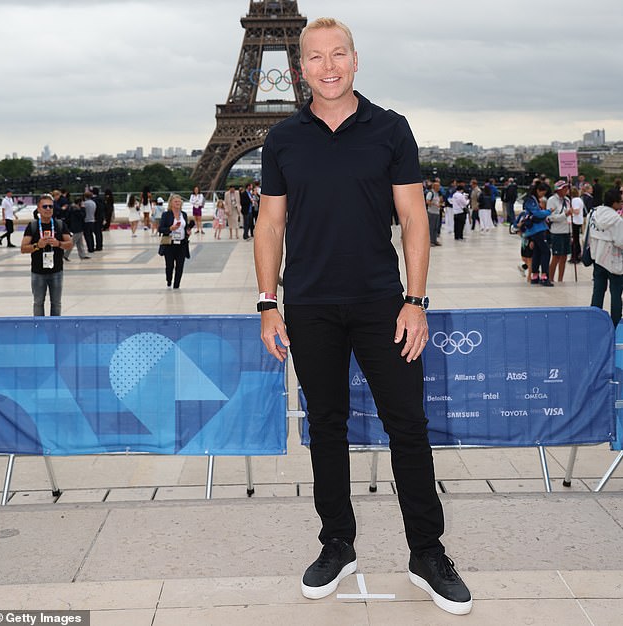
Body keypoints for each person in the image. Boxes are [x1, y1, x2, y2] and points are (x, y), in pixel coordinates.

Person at [253, 17, 472, 616]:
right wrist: (268, 304)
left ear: (355, 59)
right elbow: (270, 223)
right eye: (316, 57)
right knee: (326, 428)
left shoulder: (391, 129)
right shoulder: (282, 140)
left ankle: (427, 552)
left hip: (383, 303)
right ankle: (337, 543)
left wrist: (416, 299)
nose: (328, 66)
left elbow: (415, 220)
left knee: (409, 427)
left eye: (338, 54)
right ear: (300, 69)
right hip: (310, 304)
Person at [20, 194, 73, 316]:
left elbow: (69, 244)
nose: (48, 209)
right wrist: (37, 246)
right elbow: (23, 248)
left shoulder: (59, 224)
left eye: (51, 206)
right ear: (38, 209)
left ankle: (55, 330)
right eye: (45, 206)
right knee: (38, 303)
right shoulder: (32, 226)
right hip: (38, 272)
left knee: (56, 303)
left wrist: (58, 243)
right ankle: (39, 330)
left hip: (56, 271)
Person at [589, 188, 623, 326]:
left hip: (597, 256)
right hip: (614, 260)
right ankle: (615, 323)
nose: (622, 204)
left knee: (598, 290)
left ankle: (593, 319)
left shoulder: (594, 212)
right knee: (615, 293)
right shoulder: (616, 219)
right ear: (614, 203)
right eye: (620, 202)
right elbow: (620, 242)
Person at [158, 194, 193, 289]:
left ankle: (176, 285)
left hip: (181, 243)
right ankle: (169, 280)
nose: (178, 203)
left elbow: (184, 228)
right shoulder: (166, 215)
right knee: (169, 266)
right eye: (176, 201)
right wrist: (170, 228)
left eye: (179, 201)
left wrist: (188, 232)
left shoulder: (184, 215)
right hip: (169, 243)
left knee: (180, 265)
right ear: (171, 203)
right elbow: (160, 229)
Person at [522, 181, 553, 286]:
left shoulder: (532, 199)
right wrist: (548, 211)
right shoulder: (531, 200)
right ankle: (544, 276)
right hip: (537, 229)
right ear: (538, 190)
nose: (542, 195)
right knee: (546, 252)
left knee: (537, 252)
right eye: (542, 193)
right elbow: (537, 214)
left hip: (535, 229)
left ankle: (535, 276)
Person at [546, 180, 572, 283]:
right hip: (557, 232)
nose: (567, 190)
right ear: (559, 190)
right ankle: (550, 278)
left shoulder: (567, 200)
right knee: (556, 256)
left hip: (567, 230)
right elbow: (550, 217)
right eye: (565, 188)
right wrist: (564, 215)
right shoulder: (552, 200)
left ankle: (560, 279)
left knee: (564, 256)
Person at [425, 181, 442, 246]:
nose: (439, 187)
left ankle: (434, 240)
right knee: (431, 227)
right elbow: (427, 201)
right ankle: (430, 241)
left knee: (436, 227)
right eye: (438, 186)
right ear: (434, 186)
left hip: (437, 212)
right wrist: (435, 204)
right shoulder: (430, 193)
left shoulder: (437, 193)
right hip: (431, 212)